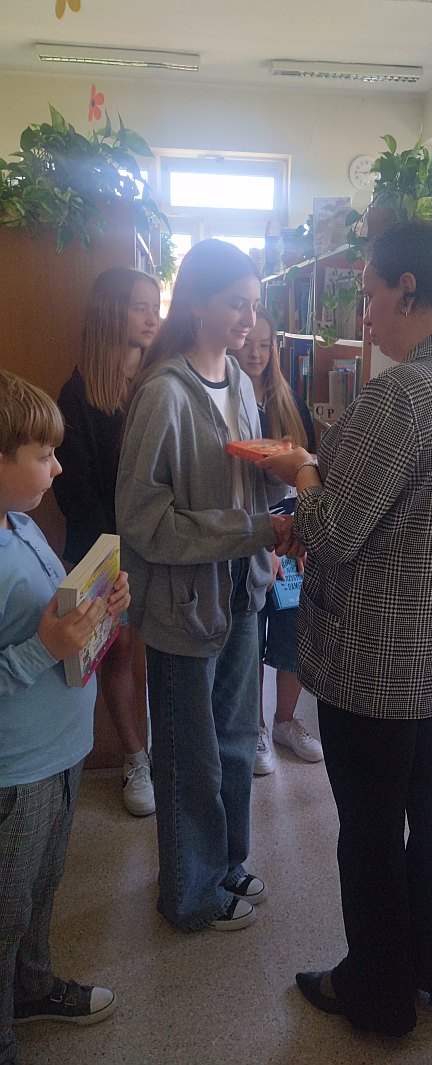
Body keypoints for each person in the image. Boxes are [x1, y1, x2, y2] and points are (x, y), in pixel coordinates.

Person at [258, 220, 432, 1036]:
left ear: (408, 290)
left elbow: (332, 533)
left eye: (369, 295)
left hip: (375, 658)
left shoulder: (400, 395)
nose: (363, 315)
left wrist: (301, 469)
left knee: (368, 827)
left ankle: (375, 990)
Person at [115, 239, 292, 933]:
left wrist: (288, 477)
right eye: (235, 304)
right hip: (184, 606)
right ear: (195, 303)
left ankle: (225, 862)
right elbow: (144, 520)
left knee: (235, 741)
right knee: (189, 756)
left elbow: (244, 481)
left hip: (243, 594)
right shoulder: (163, 392)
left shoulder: (242, 383)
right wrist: (253, 529)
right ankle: (188, 894)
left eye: (254, 305)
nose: (249, 319)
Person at [0, 370, 130, 1065]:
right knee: (5, 909)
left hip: (60, 751)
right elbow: (36, 643)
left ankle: (32, 986)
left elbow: (54, 613)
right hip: (15, 770)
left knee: (42, 887)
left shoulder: (22, 524)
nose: (58, 467)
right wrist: (43, 648)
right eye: (44, 454)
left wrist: (100, 605)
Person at [54, 267, 161, 817]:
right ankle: (134, 757)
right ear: (110, 312)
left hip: (157, 543)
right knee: (116, 649)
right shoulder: (77, 395)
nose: (152, 318)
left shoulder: (161, 380)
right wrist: (117, 559)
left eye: (155, 307)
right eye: (140, 307)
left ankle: (166, 747)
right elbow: (75, 493)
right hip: (105, 548)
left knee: (162, 646)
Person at [229, 305, 323, 774]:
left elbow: (309, 472)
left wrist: (299, 535)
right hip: (249, 532)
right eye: (249, 344)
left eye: (266, 345)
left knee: (293, 632)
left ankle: (285, 720)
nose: (257, 354)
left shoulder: (291, 402)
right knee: (250, 635)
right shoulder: (227, 402)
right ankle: (257, 727)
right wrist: (263, 539)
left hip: (292, 536)